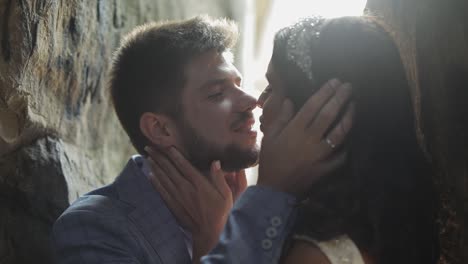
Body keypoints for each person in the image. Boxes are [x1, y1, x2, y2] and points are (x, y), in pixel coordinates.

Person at [51, 15, 352, 264]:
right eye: (217, 94)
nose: (252, 100)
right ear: (160, 129)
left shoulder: (275, 207)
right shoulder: (93, 229)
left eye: (239, 83)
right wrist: (215, 240)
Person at [148, 16, 439, 264]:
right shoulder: (376, 215)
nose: (258, 101)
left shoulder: (317, 255)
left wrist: (248, 211)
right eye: (215, 93)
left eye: (272, 87)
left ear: (318, 110)